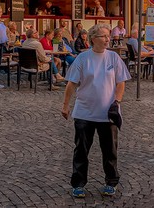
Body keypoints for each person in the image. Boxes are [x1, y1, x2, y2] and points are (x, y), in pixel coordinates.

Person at [62, 25, 128, 199]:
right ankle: (78, 184)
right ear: (93, 39)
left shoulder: (113, 57)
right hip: (84, 112)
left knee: (110, 151)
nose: (108, 39)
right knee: (81, 150)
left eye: (108, 36)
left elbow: (121, 82)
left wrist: (117, 101)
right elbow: (71, 84)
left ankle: (111, 182)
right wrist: (65, 105)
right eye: (103, 36)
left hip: (108, 114)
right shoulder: (83, 58)